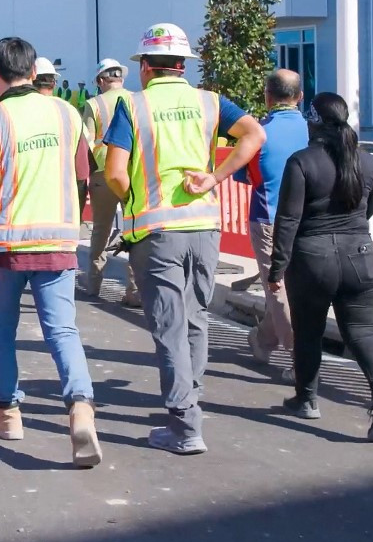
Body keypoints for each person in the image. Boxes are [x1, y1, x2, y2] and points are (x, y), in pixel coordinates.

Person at [103, 23, 265, 455]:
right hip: (204, 226)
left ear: (144, 66)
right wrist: (214, 177)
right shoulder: (210, 101)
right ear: (182, 65)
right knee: (195, 318)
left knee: (168, 325)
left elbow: (115, 172)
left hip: (157, 233)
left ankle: (184, 424)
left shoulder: (131, 105)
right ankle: (191, 397)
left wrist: (134, 202)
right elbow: (255, 134)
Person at [0, 37, 102, 468]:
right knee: (62, 331)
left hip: (6, 247)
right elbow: (82, 177)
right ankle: (80, 408)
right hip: (58, 242)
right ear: (33, 71)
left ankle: (6, 413)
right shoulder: (67, 113)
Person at [267, 92, 373, 441]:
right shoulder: (366, 160)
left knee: (309, 331)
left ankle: (306, 399)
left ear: (313, 123)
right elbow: (369, 208)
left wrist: (277, 268)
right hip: (361, 255)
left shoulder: (302, 162)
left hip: (312, 259)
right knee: (364, 332)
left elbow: (288, 220)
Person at [235, 69, 309, 380]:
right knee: (295, 290)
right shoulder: (313, 131)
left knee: (277, 289)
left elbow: (245, 174)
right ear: (300, 97)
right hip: (307, 219)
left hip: (268, 218)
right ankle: (268, 341)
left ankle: (298, 357)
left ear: (267, 97)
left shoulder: (258, 133)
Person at [82, 58, 138, 306]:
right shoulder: (137, 100)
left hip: (103, 174)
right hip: (132, 173)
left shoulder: (94, 104)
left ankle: (94, 283)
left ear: (100, 81)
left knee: (101, 230)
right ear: (121, 79)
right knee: (134, 230)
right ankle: (134, 289)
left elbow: (86, 142)